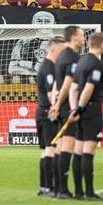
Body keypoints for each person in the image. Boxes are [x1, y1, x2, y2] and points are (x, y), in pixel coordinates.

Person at [69, 31, 103, 201]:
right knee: (88, 151)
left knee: (77, 150)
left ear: (88, 44)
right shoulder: (96, 64)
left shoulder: (81, 62)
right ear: (102, 45)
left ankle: (78, 192)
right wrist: (80, 107)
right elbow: (88, 88)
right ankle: (90, 192)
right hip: (91, 110)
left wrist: (73, 110)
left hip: (80, 111)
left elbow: (73, 89)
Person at [48, 26, 84, 199]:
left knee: (59, 147)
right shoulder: (72, 58)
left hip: (60, 106)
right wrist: (62, 105)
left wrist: (55, 104)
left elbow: (56, 83)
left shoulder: (61, 57)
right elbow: (67, 85)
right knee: (67, 148)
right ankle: (63, 190)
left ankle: (56, 188)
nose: (83, 39)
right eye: (81, 36)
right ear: (73, 38)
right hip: (66, 107)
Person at [35, 38, 66, 196]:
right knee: (51, 149)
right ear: (54, 50)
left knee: (48, 149)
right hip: (48, 112)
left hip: (45, 111)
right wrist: (58, 107)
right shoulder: (48, 68)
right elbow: (50, 93)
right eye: (62, 50)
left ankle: (45, 187)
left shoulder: (49, 67)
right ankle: (48, 187)